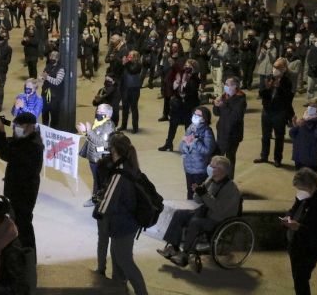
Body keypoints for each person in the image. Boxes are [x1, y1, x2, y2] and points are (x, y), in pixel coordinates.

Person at [159, 156, 241, 267]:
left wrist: (204, 194)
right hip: (205, 212)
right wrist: (198, 192)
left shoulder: (231, 189)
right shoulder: (210, 179)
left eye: (213, 166)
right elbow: (198, 199)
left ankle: (185, 255)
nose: (209, 167)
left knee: (195, 222)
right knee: (179, 214)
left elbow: (219, 209)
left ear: (221, 170)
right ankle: (173, 248)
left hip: (219, 220)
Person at [93, 133, 149, 294]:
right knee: (118, 258)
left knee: (125, 262)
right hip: (129, 222)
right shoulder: (131, 166)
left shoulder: (119, 173)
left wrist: (98, 211)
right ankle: (119, 288)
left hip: (122, 224)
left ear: (114, 150)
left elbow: (106, 204)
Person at [0, 111, 44, 250]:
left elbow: (8, 153)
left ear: (31, 127)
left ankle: (28, 256)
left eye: (19, 126)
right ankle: (17, 252)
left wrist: (1, 133)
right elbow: (4, 147)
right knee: (14, 221)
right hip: (15, 187)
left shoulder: (34, 145)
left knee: (23, 223)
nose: (15, 129)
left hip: (24, 191)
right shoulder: (23, 139)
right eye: (15, 125)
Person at [281, 168, 317, 295]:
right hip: (296, 244)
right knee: (297, 277)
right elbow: (293, 209)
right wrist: (288, 216)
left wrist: (299, 227)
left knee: (301, 279)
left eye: (301, 188)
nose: (299, 192)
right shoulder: (305, 194)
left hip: (309, 249)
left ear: (311, 186)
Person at [256, 58, 295, 167]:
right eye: (274, 67)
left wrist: (280, 87)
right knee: (265, 135)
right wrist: (267, 88)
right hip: (267, 111)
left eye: (278, 68)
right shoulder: (269, 77)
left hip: (279, 112)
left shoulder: (287, 81)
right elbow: (261, 93)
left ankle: (277, 159)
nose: (275, 69)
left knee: (279, 136)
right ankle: (264, 156)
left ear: (284, 69)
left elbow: (288, 99)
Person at [77, 103, 115, 207]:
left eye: (101, 112)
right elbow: (93, 138)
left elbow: (103, 144)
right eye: (97, 111)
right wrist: (85, 132)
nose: (98, 113)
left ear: (108, 115)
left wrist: (88, 131)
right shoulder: (99, 122)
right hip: (94, 156)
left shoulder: (108, 126)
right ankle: (97, 198)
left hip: (100, 158)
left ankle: (98, 200)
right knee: (97, 179)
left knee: (100, 180)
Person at [159, 59, 200, 152]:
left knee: (188, 127)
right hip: (177, 106)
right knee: (172, 125)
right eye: (185, 65)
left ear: (194, 68)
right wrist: (177, 82)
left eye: (189, 66)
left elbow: (191, 91)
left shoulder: (195, 79)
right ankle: (168, 144)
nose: (186, 67)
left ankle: (189, 146)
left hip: (188, 107)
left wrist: (185, 82)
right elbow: (174, 89)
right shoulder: (181, 74)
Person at [212, 77, 247, 178]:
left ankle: (229, 179)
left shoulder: (241, 99)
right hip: (222, 131)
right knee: (219, 156)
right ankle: (218, 176)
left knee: (230, 158)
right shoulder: (224, 96)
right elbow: (216, 113)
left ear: (235, 86)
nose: (225, 86)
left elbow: (235, 117)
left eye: (228, 84)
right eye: (225, 84)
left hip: (233, 134)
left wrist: (223, 106)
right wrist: (216, 105)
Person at [179, 107, 216, 199]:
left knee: (199, 194)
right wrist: (186, 145)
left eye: (199, 115)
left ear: (205, 118)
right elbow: (182, 147)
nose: (195, 116)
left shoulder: (207, 131)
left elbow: (208, 150)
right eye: (195, 114)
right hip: (188, 167)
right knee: (190, 192)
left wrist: (195, 142)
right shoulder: (190, 128)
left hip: (200, 169)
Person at [290, 98, 317, 172]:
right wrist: (296, 125)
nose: (310, 108)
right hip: (298, 156)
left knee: (310, 181)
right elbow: (292, 134)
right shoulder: (304, 118)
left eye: (314, 106)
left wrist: (305, 125)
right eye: (310, 105)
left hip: (310, 158)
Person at [119, 50, 143, 133]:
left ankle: (135, 127)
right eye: (128, 55)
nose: (129, 57)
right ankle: (123, 125)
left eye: (131, 56)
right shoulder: (126, 64)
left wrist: (127, 63)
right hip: (126, 88)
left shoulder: (138, 65)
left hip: (134, 89)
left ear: (136, 57)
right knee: (125, 108)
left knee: (133, 108)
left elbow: (133, 70)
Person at [41, 50, 64, 128]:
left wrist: (47, 77)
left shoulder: (61, 69)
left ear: (57, 59)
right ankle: (45, 129)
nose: (51, 58)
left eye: (54, 57)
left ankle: (53, 131)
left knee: (54, 117)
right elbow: (43, 76)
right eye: (51, 56)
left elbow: (57, 82)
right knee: (44, 114)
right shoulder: (48, 65)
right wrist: (41, 78)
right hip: (45, 94)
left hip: (54, 97)